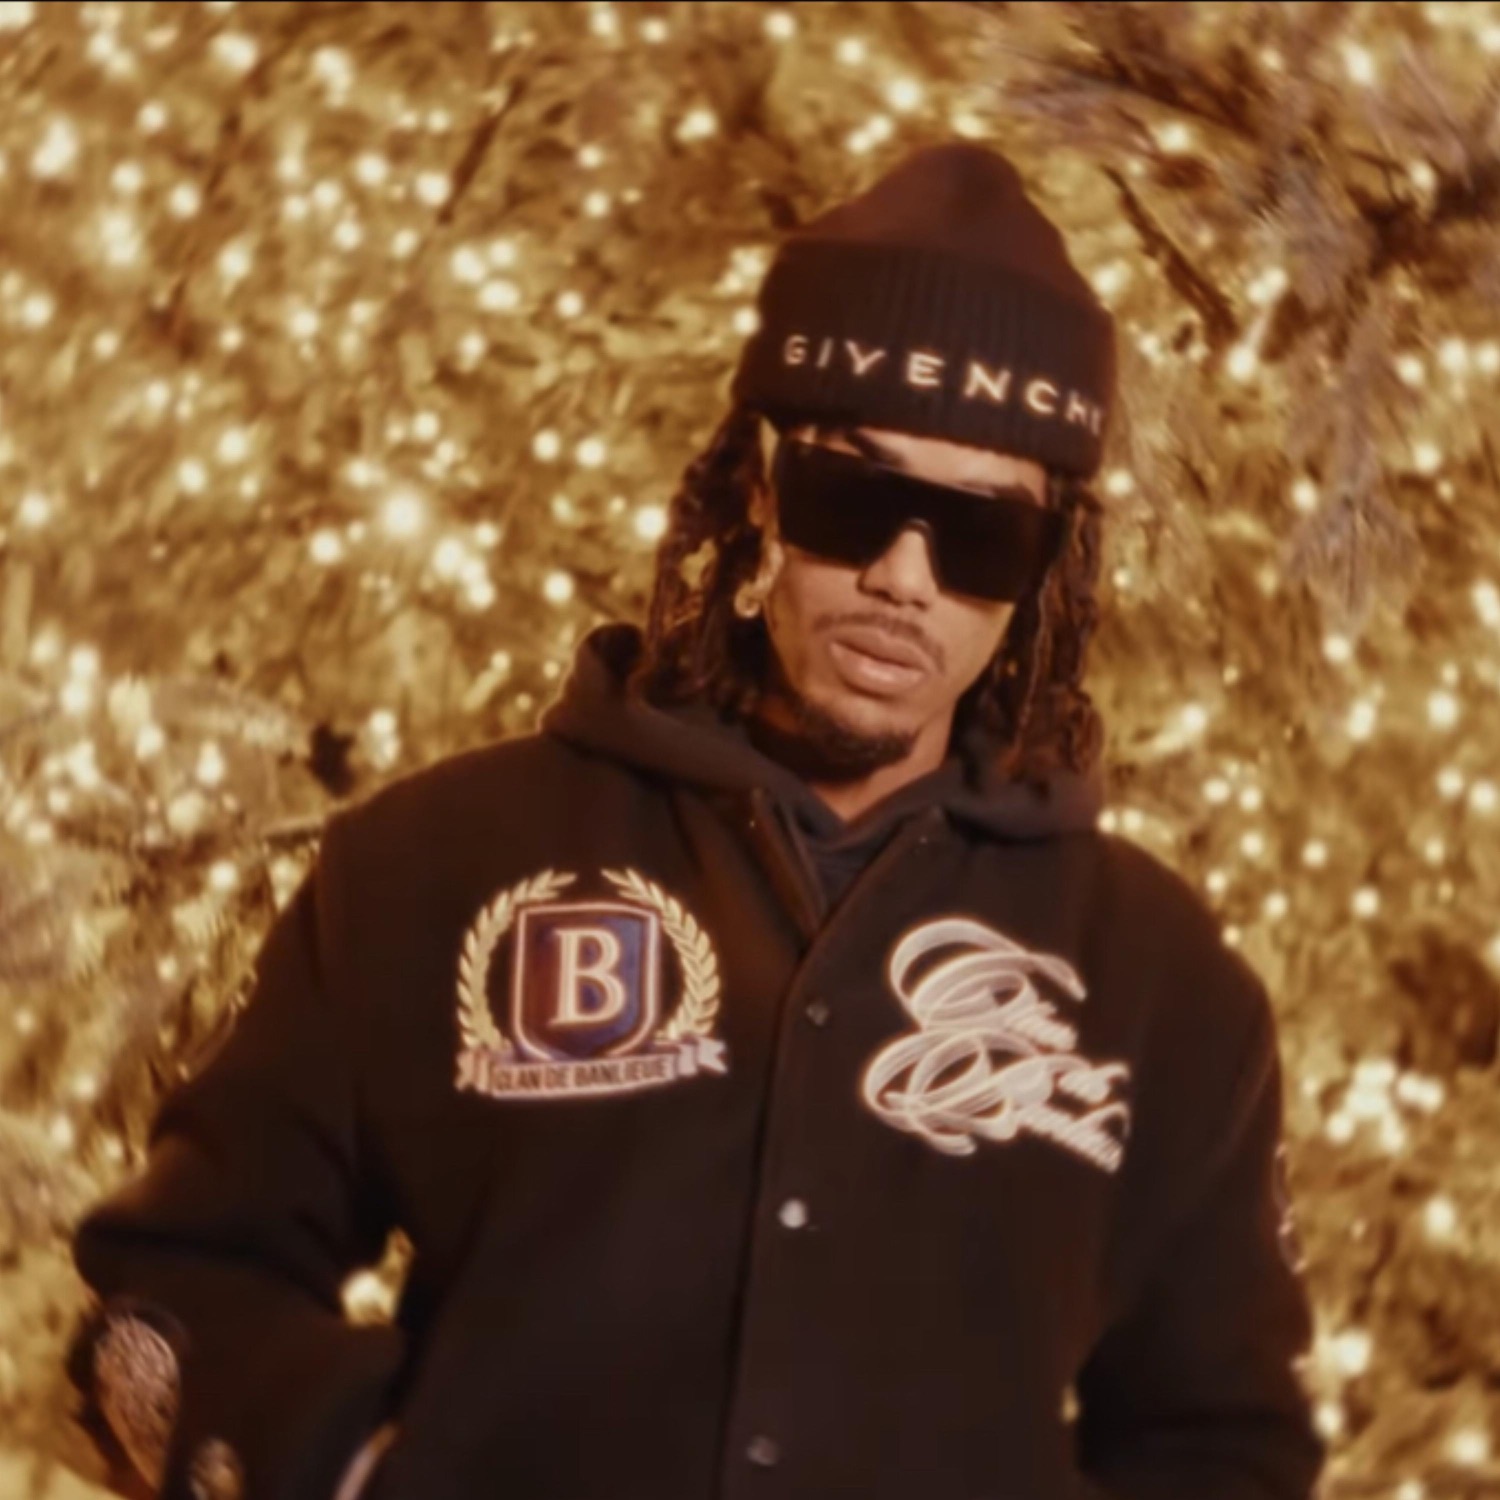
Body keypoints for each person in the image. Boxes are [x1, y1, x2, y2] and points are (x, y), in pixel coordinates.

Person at [71, 142, 1325, 1500]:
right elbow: (173, 1287)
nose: (904, 577)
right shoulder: (431, 865)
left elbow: (1226, 1442)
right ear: (759, 487)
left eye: (980, 534)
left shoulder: (1164, 986)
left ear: (1047, 569)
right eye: (855, 497)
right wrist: (354, 1466)